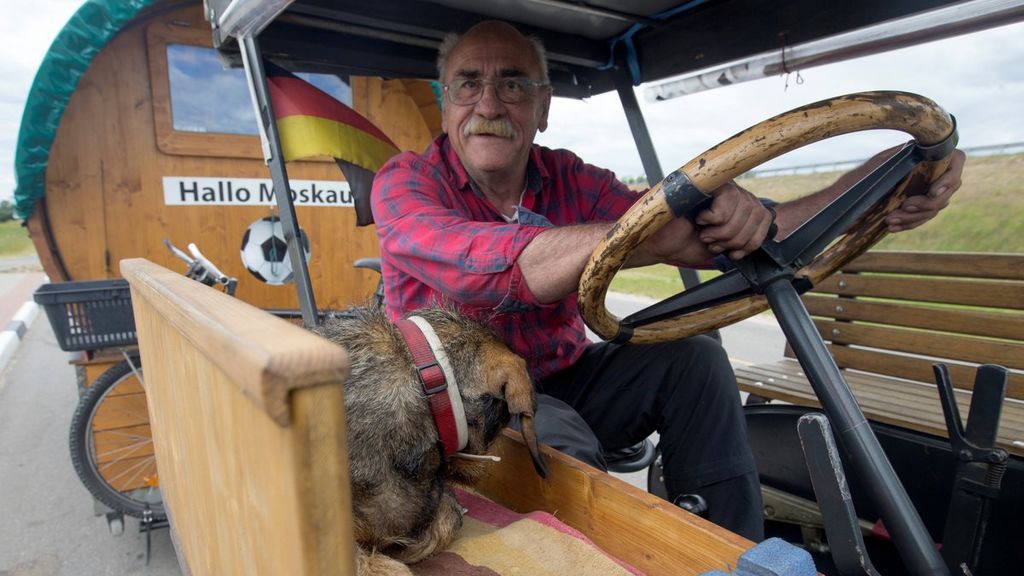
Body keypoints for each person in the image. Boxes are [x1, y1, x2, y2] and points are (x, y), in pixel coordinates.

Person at [370, 20, 965, 540]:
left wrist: (885, 182)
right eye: (468, 83)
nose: (490, 104)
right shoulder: (406, 183)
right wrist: (649, 230)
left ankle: (732, 552)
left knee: (697, 361)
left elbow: (731, 234)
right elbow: (493, 268)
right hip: (455, 405)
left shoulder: (573, 180)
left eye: (514, 83)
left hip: (564, 378)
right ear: (445, 104)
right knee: (556, 437)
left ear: (543, 106)